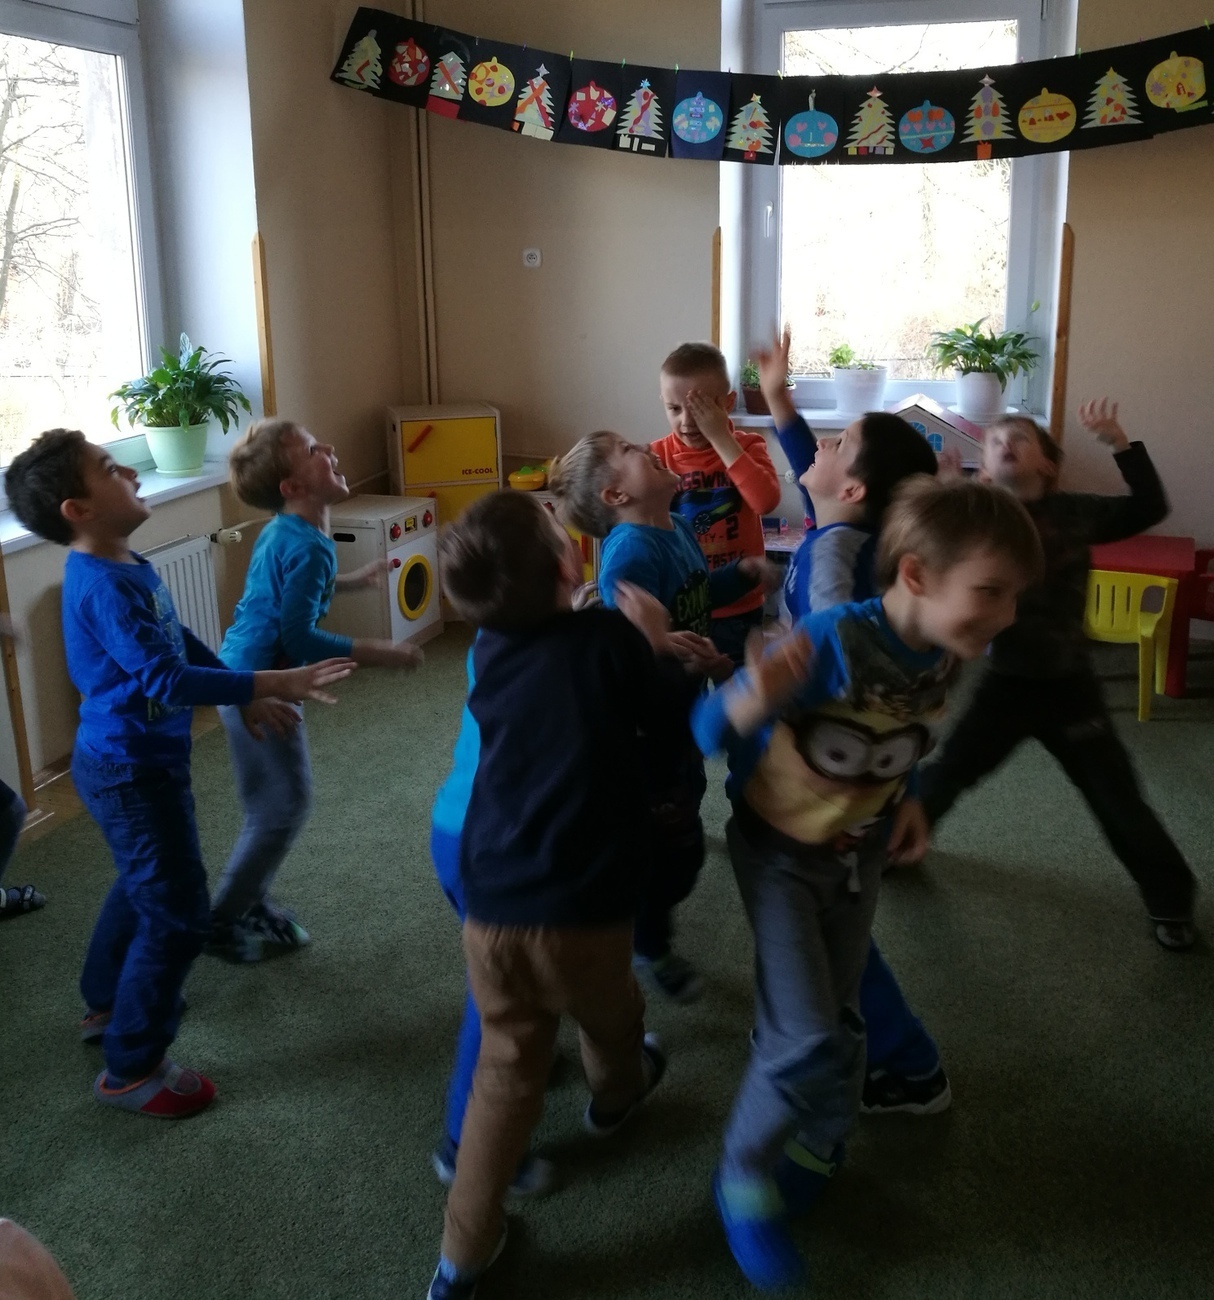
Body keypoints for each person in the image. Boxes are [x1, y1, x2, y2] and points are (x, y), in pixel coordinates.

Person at [694, 476, 1043, 1288]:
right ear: (916, 574)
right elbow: (704, 729)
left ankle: (821, 1140)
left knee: (843, 1016)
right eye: (990, 592)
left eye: (1015, 596)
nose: (1007, 615)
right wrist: (752, 696)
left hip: (857, 854)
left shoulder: (941, 652)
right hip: (779, 857)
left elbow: (900, 731)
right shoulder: (833, 642)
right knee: (801, 1032)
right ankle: (742, 1173)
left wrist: (907, 800)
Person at [3, 429, 354, 1117]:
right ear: (79, 509)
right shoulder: (103, 584)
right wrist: (269, 680)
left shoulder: (123, 562)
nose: (132, 473)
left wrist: (239, 690)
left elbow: (179, 642)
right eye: (112, 468)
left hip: (143, 763)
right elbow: (165, 676)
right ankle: (132, 1066)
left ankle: (106, 1001)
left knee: (146, 884)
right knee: (179, 914)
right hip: (129, 771)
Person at [427, 490, 683, 1300]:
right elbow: (661, 727)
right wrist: (653, 645)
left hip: (489, 904)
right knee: (613, 1016)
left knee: (505, 1071)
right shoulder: (608, 639)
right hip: (581, 908)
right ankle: (615, 1098)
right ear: (571, 564)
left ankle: (460, 1259)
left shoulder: (490, 648)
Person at [754, 328, 951, 1115]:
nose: (821, 445)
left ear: (857, 488)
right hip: (849, 773)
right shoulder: (851, 532)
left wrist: (759, 684)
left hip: (823, 783)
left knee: (825, 931)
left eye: (839, 442)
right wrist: (778, 398)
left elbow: (846, 665)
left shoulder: (835, 561)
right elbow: (817, 467)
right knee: (825, 925)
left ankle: (907, 1063)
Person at [918, 401, 1200, 951]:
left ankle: (1170, 900)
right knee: (948, 772)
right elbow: (928, 554)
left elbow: (1150, 506)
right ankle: (896, 847)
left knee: (1116, 796)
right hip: (1006, 684)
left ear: (1047, 465)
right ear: (984, 466)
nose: (1005, 443)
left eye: (1020, 438)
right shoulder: (981, 513)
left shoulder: (1075, 511)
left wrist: (1120, 444)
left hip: (1071, 686)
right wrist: (948, 493)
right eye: (995, 440)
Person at [549, 430, 772, 1002]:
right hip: (647, 719)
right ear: (616, 496)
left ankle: (664, 860)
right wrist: (664, 646)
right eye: (629, 452)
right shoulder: (629, 552)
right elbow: (622, 649)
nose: (646, 448)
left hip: (682, 697)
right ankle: (648, 942)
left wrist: (738, 577)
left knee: (684, 801)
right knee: (668, 848)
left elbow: (694, 592)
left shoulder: (675, 525)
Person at [208, 419, 421, 960]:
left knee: (270, 804)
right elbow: (297, 635)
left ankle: (246, 899)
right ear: (293, 487)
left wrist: (351, 580)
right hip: (259, 689)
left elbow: (286, 593)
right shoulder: (307, 547)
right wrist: (379, 651)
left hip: (242, 675)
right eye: (310, 449)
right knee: (282, 806)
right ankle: (224, 919)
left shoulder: (286, 530)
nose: (327, 446)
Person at [653, 341, 782, 664]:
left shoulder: (748, 446)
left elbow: (765, 501)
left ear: (728, 403)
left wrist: (721, 437)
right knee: (686, 683)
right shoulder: (656, 457)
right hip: (684, 602)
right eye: (675, 409)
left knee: (739, 682)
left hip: (740, 602)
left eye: (700, 409)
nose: (687, 422)